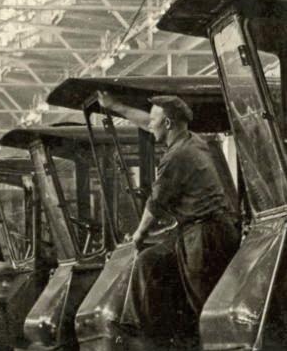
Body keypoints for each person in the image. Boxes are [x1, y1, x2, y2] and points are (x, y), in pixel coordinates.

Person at [96, 92, 241, 336]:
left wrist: (138, 235)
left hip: (204, 237)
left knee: (204, 304)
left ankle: (201, 349)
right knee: (150, 262)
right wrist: (116, 105)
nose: (150, 125)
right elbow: (147, 122)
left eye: (155, 120)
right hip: (206, 230)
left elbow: (156, 203)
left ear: (168, 123)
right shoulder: (192, 140)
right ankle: (157, 334)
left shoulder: (177, 156)